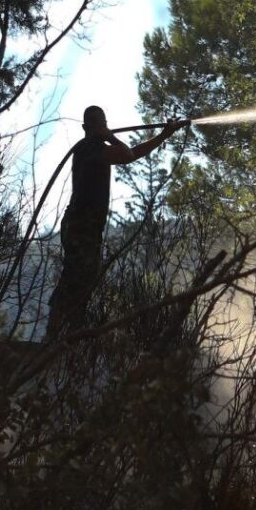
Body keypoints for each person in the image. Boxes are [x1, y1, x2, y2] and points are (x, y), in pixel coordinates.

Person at [45, 106, 184, 340]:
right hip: (81, 224)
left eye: (104, 122)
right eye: (98, 123)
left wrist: (164, 135)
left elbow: (133, 153)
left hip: (83, 224)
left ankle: (67, 334)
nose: (103, 126)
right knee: (78, 277)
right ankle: (58, 335)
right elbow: (128, 155)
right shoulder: (90, 149)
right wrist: (111, 136)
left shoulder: (96, 148)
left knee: (83, 277)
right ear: (87, 127)